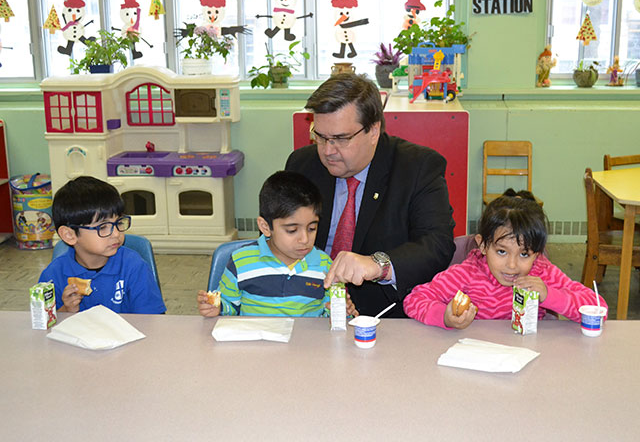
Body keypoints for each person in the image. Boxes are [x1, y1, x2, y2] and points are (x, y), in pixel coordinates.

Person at [286, 73, 455, 317]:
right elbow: (274, 237)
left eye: (341, 139)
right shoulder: (302, 164)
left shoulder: (417, 167)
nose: (327, 150)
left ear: (373, 131)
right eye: (320, 136)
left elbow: (437, 245)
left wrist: (379, 265)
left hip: (383, 315)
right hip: (307, 309)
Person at [403, 190, 607, 329]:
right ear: (483, 245)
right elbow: (414, 300)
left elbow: (600, 310)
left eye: (524, 254)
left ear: (537, 253)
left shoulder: (542, 273)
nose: (512, 265)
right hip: (476, 359)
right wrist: (445, 318)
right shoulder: (466, 274)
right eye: (502, 252)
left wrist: (549, 295)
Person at [198, 170, 355, 317]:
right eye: (292, 230)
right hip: (255, 343)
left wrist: (342, 311)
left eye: (312, 228)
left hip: (304, 344)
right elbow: (229, 306)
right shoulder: (241, 261)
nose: (305, 239)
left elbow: (332, 314)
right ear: (265, 227)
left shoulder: (325, 265)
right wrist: (216, 307)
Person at [39, 176, 166, 314]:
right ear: (69, 235)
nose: (116, 234)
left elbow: (153, 320)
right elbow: (44, 326)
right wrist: (66, 310)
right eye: (103, 227)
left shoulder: (133, 266)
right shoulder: (53, 275)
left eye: (118, 223)